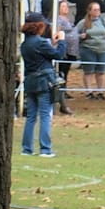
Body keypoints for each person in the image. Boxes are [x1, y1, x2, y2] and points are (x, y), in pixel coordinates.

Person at [19, 13, 64, 156]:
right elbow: (58, 55)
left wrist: (52, 43)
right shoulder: (41, 43)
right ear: (39, 26)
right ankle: (45, 149)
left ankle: (27, 148)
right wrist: (62, 41)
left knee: (31, 116)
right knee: (45, 115)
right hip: (44, 81)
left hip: (30, 81)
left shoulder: (25, 44)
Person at [78, 0, 105, 98]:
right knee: (88, 71)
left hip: (104, 49)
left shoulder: (104, 21)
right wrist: (81, 36)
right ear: (89, 11)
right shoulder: (83, 22)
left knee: (101, 72)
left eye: (98, 10)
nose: (97, 12)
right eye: (95, 10)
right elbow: (74, 35)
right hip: (88, 49)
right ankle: (88, 92)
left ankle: (100, 91)